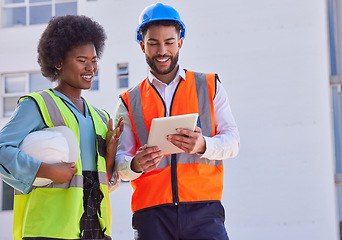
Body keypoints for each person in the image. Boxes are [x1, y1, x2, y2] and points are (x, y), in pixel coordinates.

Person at [114, 2, 240, 240]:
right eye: (153, 43)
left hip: (204, 211)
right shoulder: (129, 100)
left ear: (179, 42)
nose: (162, 50)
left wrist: (203, 145)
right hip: (151, 216)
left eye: (169, 42)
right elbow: (121, 163)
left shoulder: (209, 86)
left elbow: (233, 142)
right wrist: (135, 165)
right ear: (142, 46)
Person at [0, 15, 123, 240]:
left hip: (96, 228)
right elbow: (2, 150)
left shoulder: (101, 117)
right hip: (49, 229)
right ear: (58, 62)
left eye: (94, 60)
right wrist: (45, 170)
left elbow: (102, 179)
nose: (90, 67)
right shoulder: (38, 104)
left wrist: (111, 153)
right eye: (81, 59)